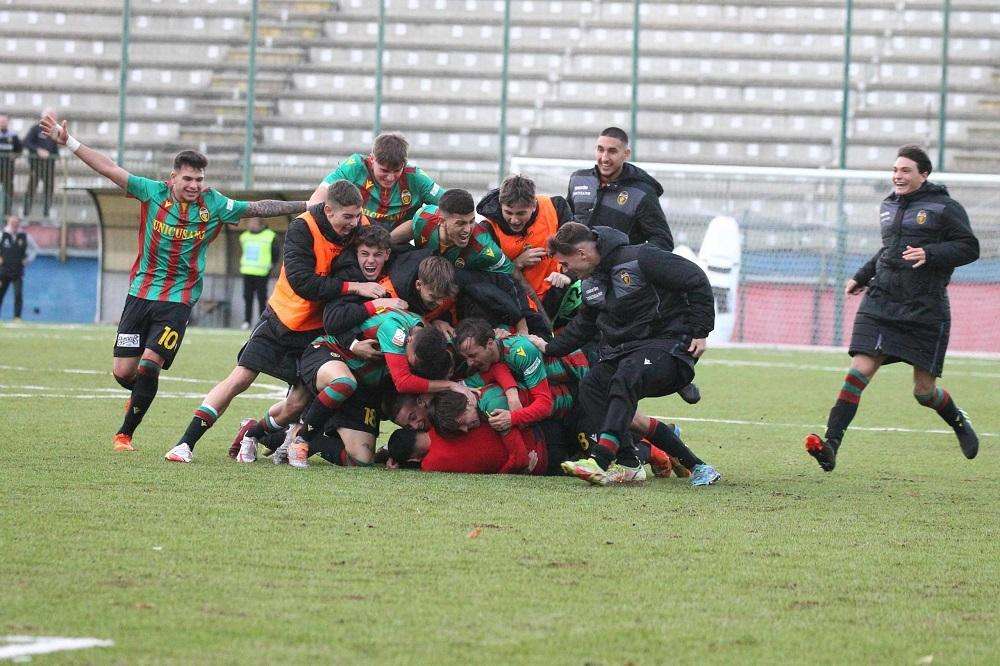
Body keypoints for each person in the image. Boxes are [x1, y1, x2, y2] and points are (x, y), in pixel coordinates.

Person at [39, 111, 308, 452]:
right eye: (188, 179)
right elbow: (108, 168)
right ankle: (136, 394)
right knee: (124, 372)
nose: (195, 185)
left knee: (150, 364)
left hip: (177, 300)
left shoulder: (215, 204)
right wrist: (71, 143)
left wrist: (306, 205)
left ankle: (125, 435)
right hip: (139, 293)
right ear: (173, 178)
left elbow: (257, 208)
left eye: (199, 179)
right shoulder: (151, 193)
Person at [163, 180, 383, 463]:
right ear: (328, 210)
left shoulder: (359, 225)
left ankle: (253, 432)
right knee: (240, 378)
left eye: (357, 216)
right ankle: (185, 444)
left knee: (298, 403)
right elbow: (304, 283)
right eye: (348, 217)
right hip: (281, 320)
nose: (355, 224)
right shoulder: (302, 228)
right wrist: (353, 287)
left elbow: (382, 244)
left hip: (315, 332)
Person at [805, 145, 980, 471]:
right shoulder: (888, 205)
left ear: (923, 174)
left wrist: (931, 253)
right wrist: (863, 275)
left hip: (925, 308)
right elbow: (890, 249)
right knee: (859, 372)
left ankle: (957, 420)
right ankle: (831, 446)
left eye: (905, 171)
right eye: (895, 170)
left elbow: (970, 247)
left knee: (924, 392)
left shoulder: (944, 207)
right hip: (882, 300)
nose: (897, 176)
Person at [529, 222, 721, 487]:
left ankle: (600, 460)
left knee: (626, 374)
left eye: (564, 263)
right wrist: (550, 347)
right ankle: (630, 463)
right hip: (629, 353)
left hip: (672, 347)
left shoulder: (641, 257)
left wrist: (701, 331)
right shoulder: (591, 282)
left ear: (582, 254)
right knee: (592, 387)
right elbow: (585, 324)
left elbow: (695, 279)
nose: (563, 270)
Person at [477, 174, 577, 332]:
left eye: (521, 213)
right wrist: (517, 263)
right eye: (508, 212)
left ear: (533, 204)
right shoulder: (488, 229)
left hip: (561, 293)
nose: (514, 220)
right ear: (500, 204)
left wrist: (568, 275)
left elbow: (577, 251)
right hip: (520, 304)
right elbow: (487, 277)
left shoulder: (555, 207)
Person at [566, 127, 673, 251]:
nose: (604, 158)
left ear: (626, 154)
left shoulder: (642, 192)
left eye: (612, 151)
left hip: (614, 269)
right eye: (600, 150)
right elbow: (565, 222)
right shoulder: (578, 179)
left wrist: (629, 259)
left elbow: (663, 240)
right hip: (575, 268)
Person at [308, 132, 442, 227]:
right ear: (372, 159)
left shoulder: (416, 177)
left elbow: (449, 203)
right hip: (353, 238)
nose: (390, 177)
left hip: (395, 246)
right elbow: (319, 197)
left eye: (397, 171)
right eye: (384, 170)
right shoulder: (354, 166)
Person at [238, 217, 278, 329]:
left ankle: (261, 321)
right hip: (247, 271)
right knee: (247, 297)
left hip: (262, 272)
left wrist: (272, 264)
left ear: (261, 224)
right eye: (250, 222)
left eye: (253, 223)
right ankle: (247, 321)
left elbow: (276, 252)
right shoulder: (244, 236)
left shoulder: (270, 235)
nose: (251, 225)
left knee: (262, 297)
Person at [0, 215, 38, 320]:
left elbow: (34, 249)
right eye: (12, 222)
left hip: (17, 271)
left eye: (16, 222)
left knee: (18, 294)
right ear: (8, 222)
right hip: (3, 270)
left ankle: (17, 317)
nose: (14, 224)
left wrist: (28, 260)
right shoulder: (2, 235)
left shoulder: (24, 236)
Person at [23, 109, 59, 218]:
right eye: (50, 116)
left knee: (49, 189)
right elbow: (26, 142)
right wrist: (38, 150)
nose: (52, 119)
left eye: (53, 116)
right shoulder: (35, 129)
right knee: (31, 189)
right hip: (36, 165)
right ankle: (26, 213)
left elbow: (55, 150)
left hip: (49, 167)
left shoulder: (54, 131)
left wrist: (55, 156)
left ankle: (46, 214)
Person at [0, 115, 22, 216]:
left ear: (7, 123)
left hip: (8, 169)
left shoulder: (13, 136)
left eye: (4, 121)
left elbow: (19, 150)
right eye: (1, 121)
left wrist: (15, 155)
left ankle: (7, 213)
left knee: (8, 191)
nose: (2, 123)